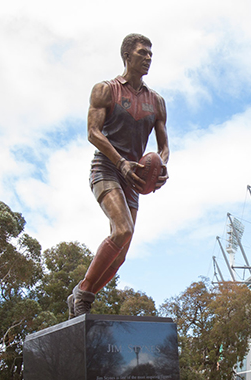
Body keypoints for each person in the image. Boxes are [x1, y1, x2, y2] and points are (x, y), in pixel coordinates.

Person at [68, 33, 169, 318]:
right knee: (122, 229)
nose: (148, 57)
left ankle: (80, 293)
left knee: (122, 253)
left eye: (151, 53)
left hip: (133, 178)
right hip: (107, 168)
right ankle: (84, 296)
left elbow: (164, 148)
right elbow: (93, 132)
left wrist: (161, 167)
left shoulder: (157, 101)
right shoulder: (106, 90)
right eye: (142, 53)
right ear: (127, 56)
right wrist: (121, 162)